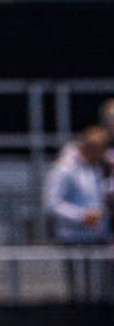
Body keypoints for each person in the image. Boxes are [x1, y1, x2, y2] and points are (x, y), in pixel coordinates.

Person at [44, 124, 111, 300]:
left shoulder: (96, 168)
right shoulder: (64, 169)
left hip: (97, 237)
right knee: (80, 291)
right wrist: (81, 216)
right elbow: (51, 204)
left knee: (100, 292)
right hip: (74, 239)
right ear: (89, 148)